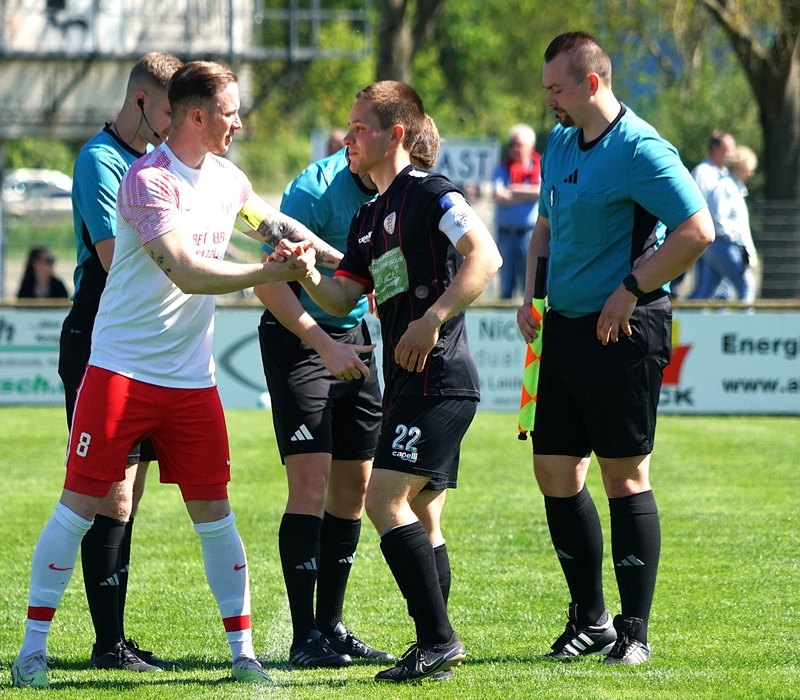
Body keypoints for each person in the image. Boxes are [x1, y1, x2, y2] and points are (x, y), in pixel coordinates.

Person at [11, 59, 339, 689]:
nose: (239, 123)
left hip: (191, 382)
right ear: (196, 116)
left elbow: (274, 224)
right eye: (230, 112)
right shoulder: (148, 180)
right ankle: (32, 652)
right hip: (120, 373)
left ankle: (244, 656)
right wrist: (274, 271)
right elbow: (187, 272)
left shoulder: (228, 179)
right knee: (79, 507)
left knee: (216, 514)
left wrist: (339, 259)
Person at [290, 81, 501, 683]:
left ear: (396, 135)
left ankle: (438, 641)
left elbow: (485, 256)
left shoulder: (433, 192)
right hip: (408, 383)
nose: (348, 138)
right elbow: (341, 297)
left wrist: (433, 320)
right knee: (422, 513)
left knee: (383, 499)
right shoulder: (366, 218)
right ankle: (433, 644)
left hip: (442, 379)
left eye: (360, 128)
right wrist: (305, 272)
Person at [516, 32, 714, 667]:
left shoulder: (640, 148)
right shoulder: (560, 143)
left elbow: (697, 230)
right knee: (554, 469)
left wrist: (631, 288)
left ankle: (635, 631)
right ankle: (592, 618)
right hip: (564, 330)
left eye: (557, 88)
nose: (549, 99)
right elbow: (544, 229)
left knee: (623, 474)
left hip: (625, 332)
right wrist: (532, 297)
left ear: (592, 83)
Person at [253, 116, 442, 670]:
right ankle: (302, 637)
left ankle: (330, 626)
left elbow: (378, 278)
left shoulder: (394, 192)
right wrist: (322, 345)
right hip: (298, 339)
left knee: (355, 489)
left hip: (354, 338)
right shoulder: (314, 191)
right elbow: (268, 281)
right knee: (310, 484)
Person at [56, 51, 183, 675]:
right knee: (109, 493)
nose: (176, 124)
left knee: (127, 494)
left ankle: (114, 640)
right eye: (170, 111)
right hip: (99, 334)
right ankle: (108, 645)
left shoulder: (158, 163)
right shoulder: (100, 161)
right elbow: (115, 259)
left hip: (142, 338)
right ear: (141, 103)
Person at [690, 146, 759, 302]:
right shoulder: (726, 186)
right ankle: (746, 318)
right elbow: (718, 218)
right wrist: (734, 240)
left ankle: (687, 316)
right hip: (725, 245)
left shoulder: (732, 186)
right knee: (747, 285)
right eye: (748, 169)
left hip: (719, 246)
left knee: (708, 290)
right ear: (739, 167)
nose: (750, 173)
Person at [674, 131, 736, 297]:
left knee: (720, 289)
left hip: (718, 238)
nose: (732, 153)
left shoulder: (724, 174)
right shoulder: (702, 173)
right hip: (705, 238)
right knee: (705, 288)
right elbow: (694, 208)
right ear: (715, 149)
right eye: (728, 149)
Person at [492, 124, 541, 300]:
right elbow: (500, 196)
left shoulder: (539, 167)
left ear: (531, 147)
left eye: (519, 144)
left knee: (529, 286)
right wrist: (527, 195)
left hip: (530, 235)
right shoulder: (502, 168)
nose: (515, 148)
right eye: (512, 144)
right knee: (506, 287)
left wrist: (513, 189)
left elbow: (540, 192)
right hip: (506, 235)